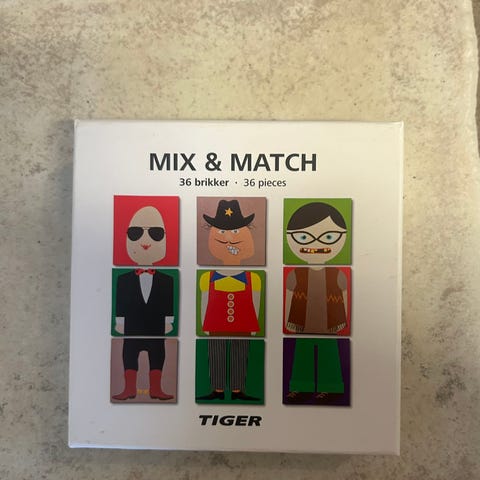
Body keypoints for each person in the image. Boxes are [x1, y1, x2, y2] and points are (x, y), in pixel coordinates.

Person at [284, 201, 350, 404]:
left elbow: (345, 298)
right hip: (301, 325)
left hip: (330, 325)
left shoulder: (338, 274)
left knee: (329, 354)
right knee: (302, 354)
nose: (316, 245)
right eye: (304, 238)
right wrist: (287, 321)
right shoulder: (295, 274)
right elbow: (288, 297)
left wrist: (343, 321)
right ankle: (300, 386)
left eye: (328, 237)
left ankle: (331, 387)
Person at [112, 206, 174, 401]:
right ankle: (129, 388)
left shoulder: (167, 280)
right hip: (132, 326)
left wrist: (169, 320)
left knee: (158, 354)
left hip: (156, 326)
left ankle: (156, 389)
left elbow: (168, 301)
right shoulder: (123, 279)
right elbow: (121, 301)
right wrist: (120, 321)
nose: (145, 241)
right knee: (129, 354)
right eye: (136, 233)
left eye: (156, 234)